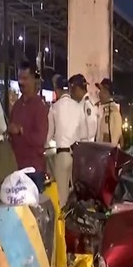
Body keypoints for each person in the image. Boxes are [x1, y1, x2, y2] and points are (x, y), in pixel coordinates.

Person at [9, 61, 49, 192]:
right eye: (19, 78)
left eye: (25, 78)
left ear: (33, 80)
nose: (21, 82)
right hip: (17, 169)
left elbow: (40, 140)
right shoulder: (17, 106)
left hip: (34, 171)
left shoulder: (40, 106)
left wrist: (21, 131)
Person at [47, 75, 81, 207]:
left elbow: (49, 134)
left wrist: (44, 145)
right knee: (74, 194)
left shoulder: (54, 108)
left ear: (57, 90)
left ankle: (63, 225)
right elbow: (83, 132)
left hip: (61, 155)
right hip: (75, 155)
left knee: (61, 196)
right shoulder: (78, 107)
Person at [69, 74, 98, 143]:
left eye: (71, 90)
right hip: (79, 144)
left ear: (77, 88)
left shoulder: (87, 104)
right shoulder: (80, 103)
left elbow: (91, 129)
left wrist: (87, 148)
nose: (70, 93)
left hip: (85, 145)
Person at [96, 78, 123, 147]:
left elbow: (116, 138)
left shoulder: (113, 112)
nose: (99, 94)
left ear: (106, 92)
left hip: (108, 153)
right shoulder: (106, 110)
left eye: (100, 90)